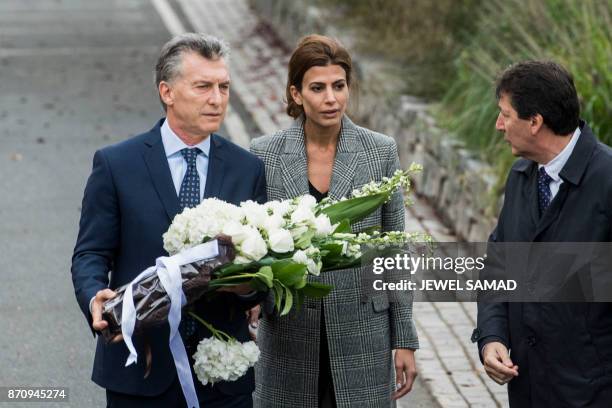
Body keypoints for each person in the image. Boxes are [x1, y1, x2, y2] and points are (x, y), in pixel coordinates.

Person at [71, 33, 266, 408]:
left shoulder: (248, 169)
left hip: (223, 377)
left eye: (224, 87)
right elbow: (91, 253)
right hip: (141, 369)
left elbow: (262, 272)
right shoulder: (116, 164)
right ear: (167, 92)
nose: (217, 99)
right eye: (203, 86)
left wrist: (246, 289)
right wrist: (94, 296)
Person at [250, 34, 419, 408]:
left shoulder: (379, 151)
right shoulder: (264, 155)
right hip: (288, 338)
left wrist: (404, 338)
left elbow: (394, 251)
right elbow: (253, 246)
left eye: (338, 86)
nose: (331, 98)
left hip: (362, 335)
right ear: (296, 94)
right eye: (318, 88)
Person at [473, 60, 612, 407]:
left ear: (535, 122)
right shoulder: (522, 176)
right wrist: (492, 337)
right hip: (528, 389)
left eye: (505, 115)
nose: (498, 125)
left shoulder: (608, 181)